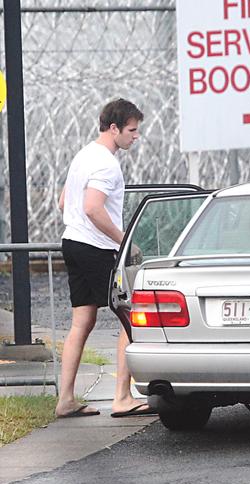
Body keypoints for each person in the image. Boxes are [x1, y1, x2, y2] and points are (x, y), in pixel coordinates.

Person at [55, 98, 154, 418]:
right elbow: (92, 208)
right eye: (132, 130)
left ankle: (66, 399)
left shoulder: (84, 155)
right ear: (114, 128)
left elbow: (63, 202)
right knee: (130, 314)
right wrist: (126, 241)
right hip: (96, 248)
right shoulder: (107, 164)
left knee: (82, 321)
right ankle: (122, 397)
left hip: (72, 242)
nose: (136, 136)